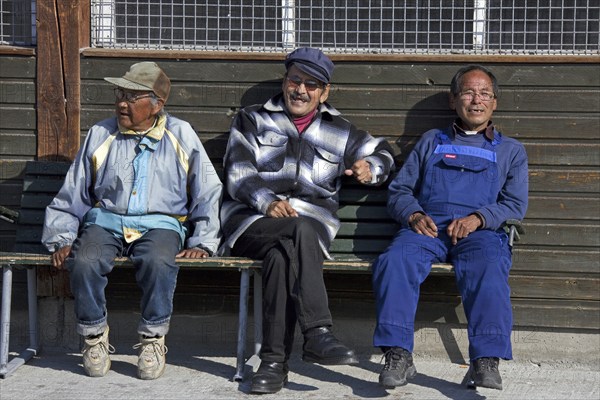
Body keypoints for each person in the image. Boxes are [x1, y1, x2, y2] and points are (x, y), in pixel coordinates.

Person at [220, 47, 394, 394]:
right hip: (252, 222)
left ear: (324, 92)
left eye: (311, 85)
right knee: (294, 232)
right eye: (295, 80)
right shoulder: (252, 119)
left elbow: (384, 153)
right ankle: (316, 332)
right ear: (285, 82)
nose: (301, 90)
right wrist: (267, 202)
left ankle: (273, 364)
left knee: (282, 255)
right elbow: (237, 174)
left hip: (306, 228)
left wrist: (370, 167)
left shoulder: (341, 130)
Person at [41, 61, 223, 380]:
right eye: (120, 94)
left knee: (157, 261)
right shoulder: (101, 133)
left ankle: (153, 338)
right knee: (84, 261)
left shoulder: (181, 134)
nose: (122, 103)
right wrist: (63, 239)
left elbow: (208, 188)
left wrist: (203, 243)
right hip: (107, 221)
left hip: (161, 224)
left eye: (132, 96)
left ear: (156, 104)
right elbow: (75, 190)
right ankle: (94, 336)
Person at [371, 65, 528, 391]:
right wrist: (413, 215)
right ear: (453, 100)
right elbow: (400, 191)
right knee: (395, 260)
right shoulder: (431, 142)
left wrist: (479, 218)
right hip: (428, 227)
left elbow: (514, 204)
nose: (477, 100)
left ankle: (486, 361)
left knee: (489, 265)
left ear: (494, 103)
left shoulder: (510, 150)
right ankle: (398, 355)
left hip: (479, 231)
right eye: (469, 92)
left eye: (485, 94)